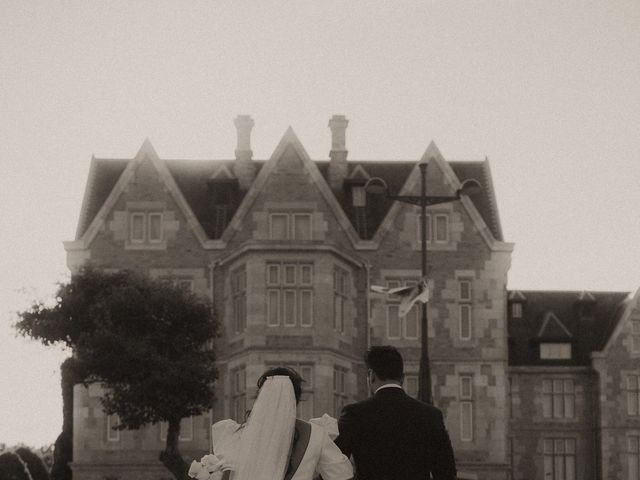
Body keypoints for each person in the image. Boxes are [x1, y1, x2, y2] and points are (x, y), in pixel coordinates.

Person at [193, 367, 353, 480]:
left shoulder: (239, 434)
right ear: (295, 400)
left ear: (261, 398)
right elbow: (341, 475)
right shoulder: (316, 434)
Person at [334, 346, 457, 480]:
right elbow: (446, 472)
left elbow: (333, 467)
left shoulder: (354, 414)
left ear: (372, 376)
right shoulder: (431, 415)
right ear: (402, 378)